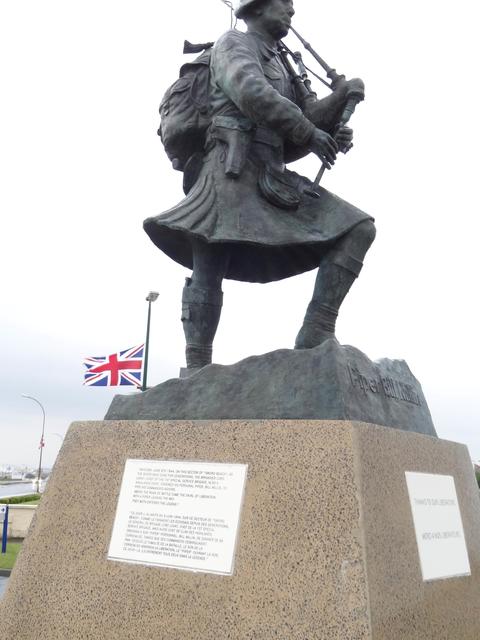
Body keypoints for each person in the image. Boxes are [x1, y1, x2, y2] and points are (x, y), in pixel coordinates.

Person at [144, 0, 376, 371]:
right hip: (228, 167)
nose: (291, 11)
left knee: (359, 228)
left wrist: (338, 105)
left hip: (272, 173)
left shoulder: (284, 63)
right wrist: (309, 131)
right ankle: (197, 365)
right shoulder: (233, 44)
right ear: (256, 8)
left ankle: (317, 329)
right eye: (284, 3)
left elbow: (303, 124)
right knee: (210, 258)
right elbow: (250, 92)